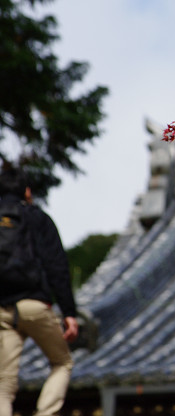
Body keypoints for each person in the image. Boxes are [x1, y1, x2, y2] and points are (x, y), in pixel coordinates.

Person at [0, 165, 79, 416]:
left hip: (2, 310)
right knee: (61, 362)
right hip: (35, 305)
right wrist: (69, 312)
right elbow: (57, 267)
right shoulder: (38, 218)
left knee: (3, 384)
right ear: (27, 191)